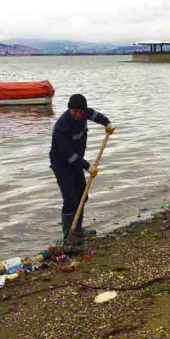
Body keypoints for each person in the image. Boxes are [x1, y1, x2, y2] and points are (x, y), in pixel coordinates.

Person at [49, 94, 115, 243]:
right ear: (69, 109)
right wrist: (87, 166)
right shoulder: (62, 127)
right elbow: (68, 155)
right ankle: (68, 236)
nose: (77, 114)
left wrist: (107, 123)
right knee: (70, 200)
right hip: (62, 164)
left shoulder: (85, 113)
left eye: (80, 111)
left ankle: (78, 230)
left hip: (76, 162)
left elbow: (96, 116)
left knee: (82, 196)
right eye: (74, 111)